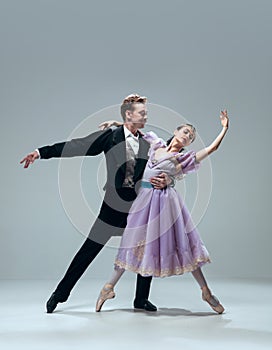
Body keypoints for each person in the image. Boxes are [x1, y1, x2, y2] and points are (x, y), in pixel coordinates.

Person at [20, 94, 172, 313]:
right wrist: (41, 152)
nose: (146, 117)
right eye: (142, 113)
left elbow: (169, 161)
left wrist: (169, 179)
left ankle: (141, 299)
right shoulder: (110, 137)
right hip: (112, 206)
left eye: (146, 113)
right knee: (88, 250)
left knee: (144, 249)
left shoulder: (148, 142)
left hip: (140, 204)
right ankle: (60, 294)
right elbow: (78, 146)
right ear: (129, 115)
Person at [95, 110, 229, 314]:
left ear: (189, 143)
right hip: (143, 202)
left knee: (181, 243)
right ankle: (108, 288)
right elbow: (132, 131)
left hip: (165, 205)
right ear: (175, 132)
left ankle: (206, 292)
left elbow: (212, 148)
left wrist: (224, 129)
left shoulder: (181, 159)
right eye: (185, 131)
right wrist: (116, 122)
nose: (186, 136)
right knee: (132, 242)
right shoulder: (155, 145)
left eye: (190, 137)